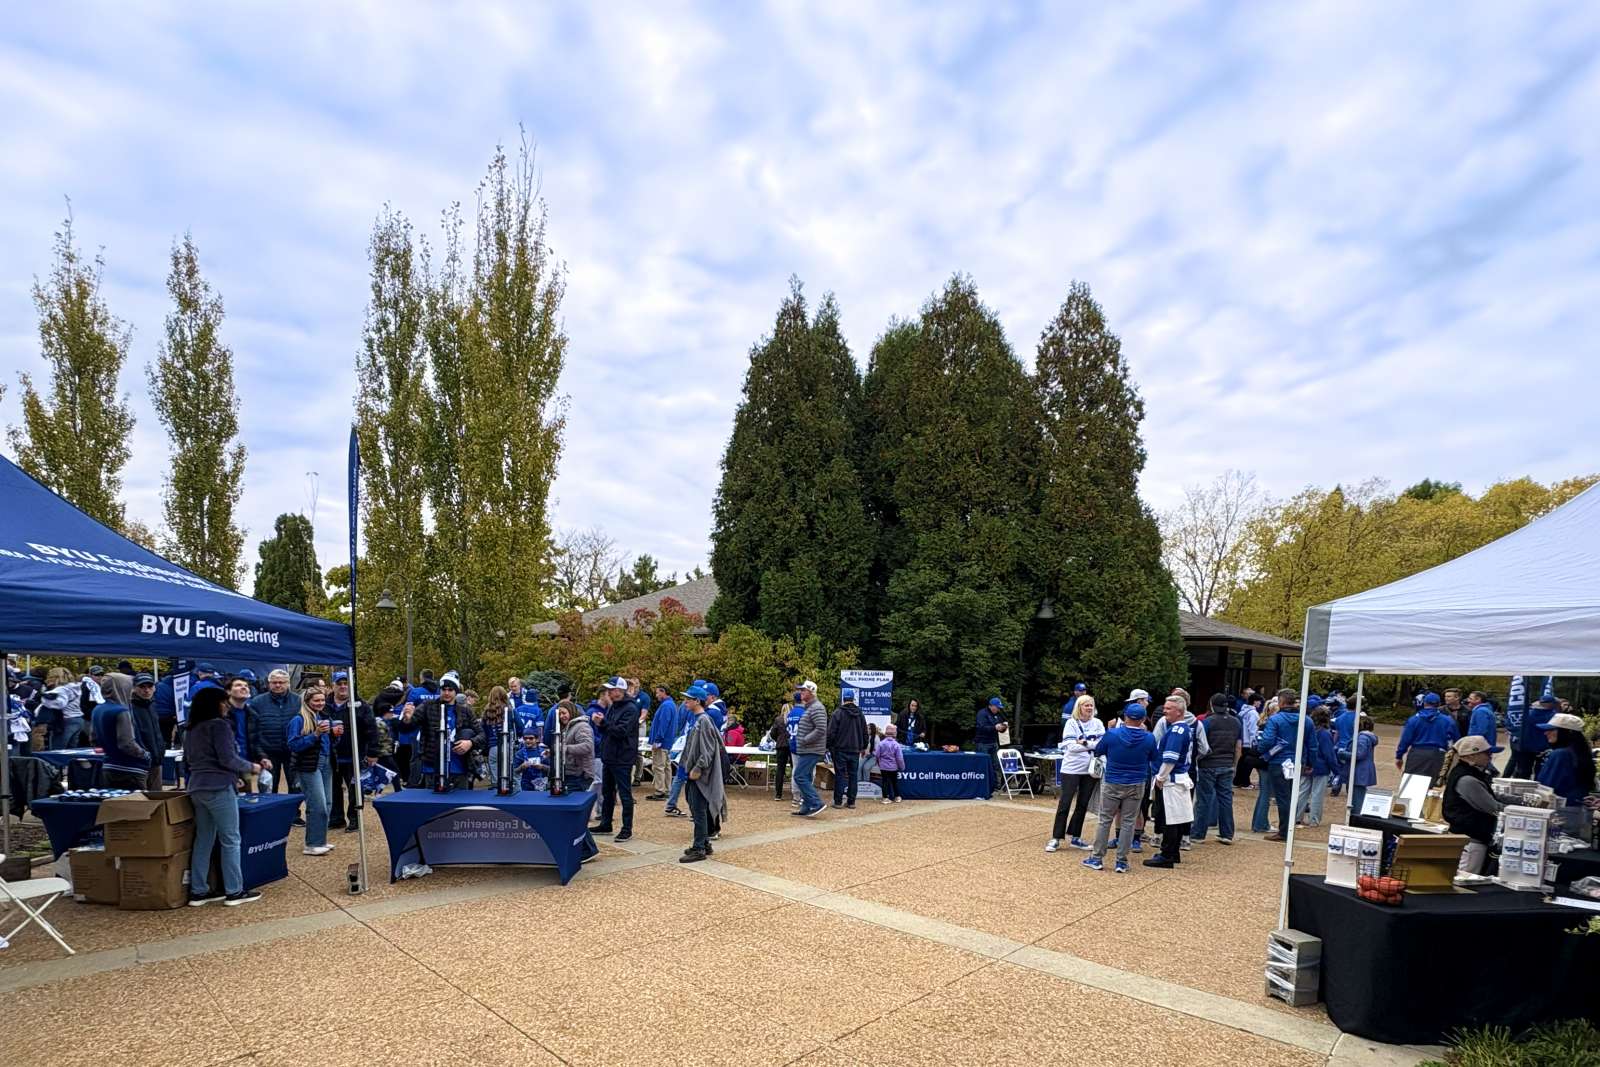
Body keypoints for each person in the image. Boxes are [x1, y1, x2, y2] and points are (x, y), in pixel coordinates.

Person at [183, 686, 264, 906]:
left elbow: (190, 761)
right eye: (223, 702)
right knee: (231, 839)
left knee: (204, 839)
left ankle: (198, 891)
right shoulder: (219, 726)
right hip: (218, 787)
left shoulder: (190, 728)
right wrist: (252, 767)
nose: (226, 705)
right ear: (215, 704)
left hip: (197, 786)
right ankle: (234, 891)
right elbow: (228, 758)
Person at [1084, 702, 1158, 873]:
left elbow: (1098, 751)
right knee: (1128, 822)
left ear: (1125, 717)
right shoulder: (1149, 738)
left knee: (1105, 820)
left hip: (1113, 780)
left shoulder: (1112, 734)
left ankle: (1097, 858)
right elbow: (1154, 757)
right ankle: (1121, 861)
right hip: (1137, 782)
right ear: (1143, 720)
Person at [1144, 696, 1196, 868]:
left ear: (1179, 712)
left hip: (1171, 780)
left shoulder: (1176, 731)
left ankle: (1167, 855)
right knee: (1177, 818)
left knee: (1169, 819)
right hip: (1179, 778)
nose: (1164, 711)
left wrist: (1160, 777)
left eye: (1168, 708)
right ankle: (1173, 853)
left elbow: (1170, 759)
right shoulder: (1184, 728)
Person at [1048, 694, 1104, 852]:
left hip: (1090, 769)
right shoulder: (1071, 723)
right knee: (1065, 803)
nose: (1089, 708)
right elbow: (1070, 747)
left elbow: (1102, 744)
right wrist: (1091, 744)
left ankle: (1075, 836)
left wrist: (1084, 742)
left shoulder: (1098, 723)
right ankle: (1056, 837)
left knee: (1083, 803)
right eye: (1086, 705)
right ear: (1079, 707)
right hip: (1071, 768)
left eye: (1091, 705)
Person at [678, 685, 727, 863]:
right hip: (693, 772)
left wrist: (697, 769)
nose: (685, 702)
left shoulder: (703, 721)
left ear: (697, 701)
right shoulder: (699, 719)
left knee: (698, 811)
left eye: (688, 699)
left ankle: (699, 848)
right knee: (695, 807)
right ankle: (704, 844)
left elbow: (708, 750)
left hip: (699, 775)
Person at [403, 676, 479, 790]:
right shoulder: (428, 706)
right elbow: (409, 726)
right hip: (433, 768)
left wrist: (470, 743)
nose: (446, 693)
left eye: (450, 690)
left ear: (456, 691)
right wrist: (407, 719)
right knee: (433, 800)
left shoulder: (465, 711)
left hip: (458, 769)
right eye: (444, 689)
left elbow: (481, 735)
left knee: (460, 801)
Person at [1442, 735, 1505, 874]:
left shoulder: (1468, 773)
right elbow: (1494, 808)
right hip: (1470, 841)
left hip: (1467, 838)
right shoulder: (1468, 779)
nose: (1490, 756)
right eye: (1487, 753)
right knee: (1465, 880)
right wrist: (1518, 810)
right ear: (1472, 756)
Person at [287, 688, 334, 856]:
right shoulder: (298, 720)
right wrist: (315, 734)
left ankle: (320, 839)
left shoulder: (323, 717)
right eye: (316, 700)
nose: (320, 703)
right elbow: (293, 745)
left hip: (326, 762)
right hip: (308, 766)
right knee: (317, 805)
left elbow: (327, 743)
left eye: (322, 700)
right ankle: (312, 844)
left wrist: (335, 735)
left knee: (327, 803)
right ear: (307, 702)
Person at [592, 677, 641, 841]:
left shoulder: (631, 708)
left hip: (622, 757)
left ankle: (627, 829)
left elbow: (621, 731)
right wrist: (601, 723)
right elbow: (610, 729)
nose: (608, 693)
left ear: (619, 690)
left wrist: (603, 723)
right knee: (607, 792)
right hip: (610, 756)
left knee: (625, 794)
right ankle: (606, 823)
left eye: (610, 690)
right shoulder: (614, 706)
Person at [1536, 713, 1597, 837]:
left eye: (1551, 730)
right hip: (1580, 814)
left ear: (1566, 732)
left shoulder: (1560, 754)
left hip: (1560, 815)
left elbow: (1545, 788)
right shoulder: (1581, 753)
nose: (1546, 733)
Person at [327, 672, 375, 830]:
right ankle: (336, 818)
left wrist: (372, 752)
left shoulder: (361, 706)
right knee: (333, 789)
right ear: (333, 685)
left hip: (355, 755)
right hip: (331, 756)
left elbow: (371, 730)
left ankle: (355, 818)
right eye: (339, 683)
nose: (343, 687)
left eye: (346, 683)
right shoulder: (325, 705)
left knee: (355, 790)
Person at [1192, 693, 1240, 845]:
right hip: (1227, 764)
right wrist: (1234, 764)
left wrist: (1197, 759)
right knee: (1226, 799)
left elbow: (1201, 744)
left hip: (1208, 764)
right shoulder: (1236, 722)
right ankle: (1227, 833)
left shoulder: (1207, 722)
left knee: (1204, 800)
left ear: (1212, 705)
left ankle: (1198, 834)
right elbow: (1238, 746)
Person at [1256, 688, 1303, 842]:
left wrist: (1261, 750)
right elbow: (1312, 743)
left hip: (1278, 762)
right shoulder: (1305, 720)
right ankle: (1289, 828)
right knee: (1292, 796)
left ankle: (1284, 831)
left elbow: (1267, 741)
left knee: (1282, 797)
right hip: (1297, 761)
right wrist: (1309, 762)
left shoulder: (1275, 720)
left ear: (1281, 702)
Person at [92, 672, 152, 790]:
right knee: (134, 801)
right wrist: (144, 754)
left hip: (109, 765)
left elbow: (94, 739)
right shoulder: (121, 711)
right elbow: (126, 743)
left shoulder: (98, 709)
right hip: (131, 768)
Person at [250, 670, 302, 800]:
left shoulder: (298, 701)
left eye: (281, 682)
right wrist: (260, 754)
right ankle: (270, 811)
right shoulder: (257, 702)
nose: (278, 685)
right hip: (268, 752)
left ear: (288, 683)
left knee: (296, 787)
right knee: (268, 787)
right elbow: (253, 730)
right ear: (269, 683)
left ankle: (293, 811)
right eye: (274, 682)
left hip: (292, 752)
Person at [1395, 692, 1459, 780]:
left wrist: (1399, 756)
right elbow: (1456, 739)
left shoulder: (1414, 719)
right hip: (1437, 754)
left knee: (1411, 782)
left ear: (1424, 703)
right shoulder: (1448, 720)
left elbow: (1405, 740)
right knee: (1430, 782)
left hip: (1417, 753)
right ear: (1439, 704)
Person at [222, 677, 268, 791]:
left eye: (246, 686)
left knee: (245, 797)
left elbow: (255, 741)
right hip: (226, 767)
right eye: (238, 685)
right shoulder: (222, 714)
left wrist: (262, 757)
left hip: (245, 764)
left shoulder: (253, 715)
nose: (244, 688)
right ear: (228, 691)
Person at [1295, 708, 1337, 828]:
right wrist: (1336, 770)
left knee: (1302, 792)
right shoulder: (1325, 734)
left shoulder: (1307, 731)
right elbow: (1329, 754)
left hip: (1306, 764)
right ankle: (1314, 819)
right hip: (1321, 767)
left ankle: (1296, 817)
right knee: (1317, 794)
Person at [827, 687, 869, 809]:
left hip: (840, 749)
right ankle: (851, 802)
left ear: (843, 699)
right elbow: (865, 732)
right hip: (855, 749)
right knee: (853, 776)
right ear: (853, 699)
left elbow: (831, 732)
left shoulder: (837, 713)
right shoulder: (860, 714)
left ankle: (838, 801)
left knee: (840, 775)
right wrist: (863, 746)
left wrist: (828, 746)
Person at [792, 680, 828, 818]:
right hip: (808, 749)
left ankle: (816, 803)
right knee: (805, 776)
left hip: (811, 749)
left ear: (811, 692)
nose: (800, 692)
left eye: (803, 690)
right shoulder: (810, 707)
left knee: (799, 776)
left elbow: (821, 728)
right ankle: (806, 807)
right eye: (800, 690)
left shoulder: (817, 708)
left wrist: (805, 739)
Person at [1508, 693, 1558, 779]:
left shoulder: (1527, 713)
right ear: (1551, 703)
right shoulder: (1553, 715)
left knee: (1524, 771)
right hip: (1544, 747)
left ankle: (1521, 786)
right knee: (1540, 771)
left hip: (1526, 746)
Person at [129, 673, 165, 790]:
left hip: (156, 759)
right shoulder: (130, 708)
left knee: (157, 795)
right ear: (134, 688)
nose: (147, 690)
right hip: (140, 762)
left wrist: (160, 751)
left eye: (150, 686)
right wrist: (143, 754)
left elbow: (156, 731)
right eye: (142, 687)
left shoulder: (152, 704)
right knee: (142, 797)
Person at [768, 692, 804, 802]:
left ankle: (778, 794)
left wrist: (777, 740)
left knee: (780, 769)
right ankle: (796, 792)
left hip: (781, 746)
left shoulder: (778, 719)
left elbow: (772, 733)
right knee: (795, 768)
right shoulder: (793, 717)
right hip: (792, 745)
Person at [646, 685, 679, 801]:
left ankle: (660, 791)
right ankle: (667, 789)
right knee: (666, 766)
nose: (656, 695)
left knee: (658, 766)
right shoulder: (671, 705)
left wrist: (658, 740)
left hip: (662, 742)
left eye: (657, 693)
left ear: (663, 692)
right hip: (667, 742)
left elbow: (663, 724)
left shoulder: (666, 706)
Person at [559, 702, 596, 792]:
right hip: (571, 773)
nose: (561, 716)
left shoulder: (582, 726)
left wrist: (565, 748)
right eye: (559, 714)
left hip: (580, 775)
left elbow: (587, 746)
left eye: (564, 713)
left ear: (571, 711)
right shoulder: (568, 727)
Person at [975, 697, 1007, 794]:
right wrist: (994, 727)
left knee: (996, 765)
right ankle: (982, 785)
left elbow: (1002, 726)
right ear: (991, 706)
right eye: (997, 707)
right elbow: (981, 727)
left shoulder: (998, 714)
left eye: (999, 707)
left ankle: (995, 786)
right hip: (982, 743)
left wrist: (1003, 727)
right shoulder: (982, 713)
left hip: (994, 742)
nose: (998, 709)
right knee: (983, 765)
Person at [1349, 715, 1379, 815]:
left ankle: (1357, 817)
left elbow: (1359, 754)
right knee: (1359, 794)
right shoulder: (1368, 737)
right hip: (1365, 768)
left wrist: (1344, 754)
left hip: (1360, 770)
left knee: (1357, 797)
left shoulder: (1362, 737)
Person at [1235, 694, 1263, 790]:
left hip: (1242, 739)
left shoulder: (1242, 711)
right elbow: (1253, 728)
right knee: (1248, 763)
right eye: (1259, 701)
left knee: (1242, 761)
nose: (1260, 703)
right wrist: (1254, 741)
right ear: (1254, 701)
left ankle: (1237, 780)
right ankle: (1245, 782)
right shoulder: (1253, 713)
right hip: (1249, 741)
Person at [875, 723, 906, 804]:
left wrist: (879, 763)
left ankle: (885, 798)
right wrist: (902, 767)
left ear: (886, 733)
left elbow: (877, 755)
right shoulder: (896, 745)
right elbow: (899, 758)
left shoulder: (881, 743)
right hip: (893, 767)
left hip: (883, 767)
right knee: (894, 782)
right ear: (894, 734)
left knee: (885, 782)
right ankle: (897, 797)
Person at [513, 728, 549, 792]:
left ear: (537, 739)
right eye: (525, 738)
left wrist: (542, 767)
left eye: (531, 738)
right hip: (526, 786)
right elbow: (515, 771)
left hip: (542, 785)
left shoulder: (544, 752)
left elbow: (551, 769)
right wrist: (522, 767)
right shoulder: (519, 753)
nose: (528, 740)